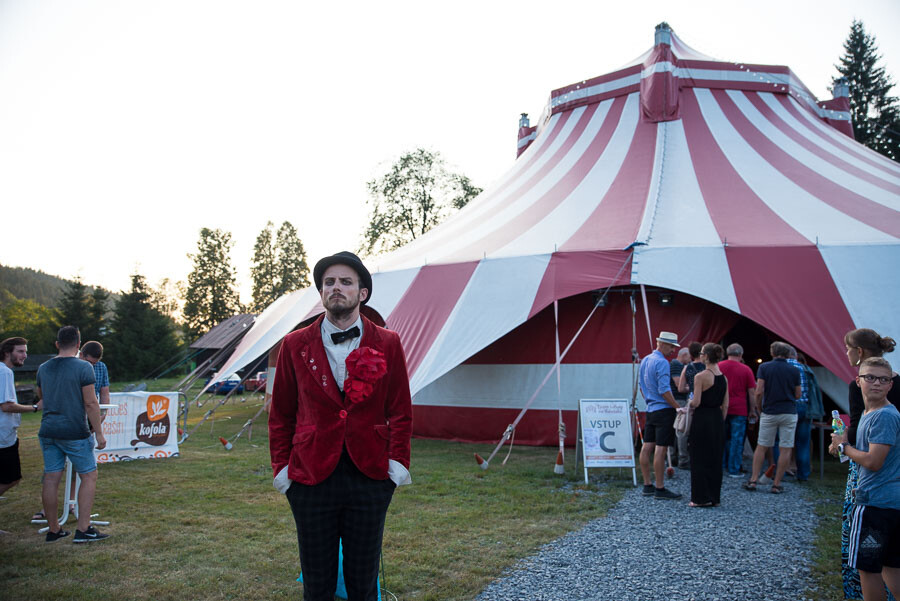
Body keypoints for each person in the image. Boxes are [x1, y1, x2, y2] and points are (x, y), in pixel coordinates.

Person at [269, 251, 413, 601]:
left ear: (362, 292)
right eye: (329, 282)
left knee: (363, 583)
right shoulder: (293, 344)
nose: (336, 288)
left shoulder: (389, 343)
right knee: (316, 583)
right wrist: (283, 470)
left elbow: (401, 410)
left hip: (371, 476)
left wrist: (396, 467)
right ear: (321, 292)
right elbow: (282, 414)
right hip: (310, 477)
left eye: (346, 282)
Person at [836, 328, 899, 601]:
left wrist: (843, 446)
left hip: (874, 497)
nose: (875, 383)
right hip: (892, 493)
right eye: (870, 379)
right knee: (890, 563)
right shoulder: (886, 409)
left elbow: (872, 459)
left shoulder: (879, 411)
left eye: (880, 380)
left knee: (866, 565)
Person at [36, 326, 109, 543]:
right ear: (79, 345)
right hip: (74, 431)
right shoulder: (84, 367)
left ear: (57, 344)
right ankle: (83, 529)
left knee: (51, 478)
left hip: (48, 430)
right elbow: (90, 402)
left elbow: (42, 397)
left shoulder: (43, 368)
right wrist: (99, 434)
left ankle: (54, 529)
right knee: (88, 475)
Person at [744, 341, 800, 493]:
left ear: (773, 352)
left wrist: (759, 407)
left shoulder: (764, 367)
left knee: (762, 446)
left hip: (770, 411)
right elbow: (798, 394)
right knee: (786, 448)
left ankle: (754, 480)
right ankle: (776, 484)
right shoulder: (794, 370)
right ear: (788, 353)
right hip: (788, 411)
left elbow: (759, 391)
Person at [638, 331, 682, 500]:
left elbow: (642, 386)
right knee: (661, 448)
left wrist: (649, 400)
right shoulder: (663, 363)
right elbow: (664, 389)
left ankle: (647, 484)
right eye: (671, 346)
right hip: (663, 410)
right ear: (662, 344)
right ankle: (660, 488)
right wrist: (677, 407)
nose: (673, 350)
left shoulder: (646, 360)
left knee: (647, 445)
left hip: (650, 408)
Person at [687, 343, 728, 507]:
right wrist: (720, 420)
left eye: (702, 353)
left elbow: (696, 402)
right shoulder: (723, 377)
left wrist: (689, 403)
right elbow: (726, 404)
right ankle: (714, 497)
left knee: (698, 457)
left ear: (706, 356)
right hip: (717, 419)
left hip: (702, 418)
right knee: (715, 458)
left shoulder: (701, 376)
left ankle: (699, 498)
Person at [1, 337, 41, 497]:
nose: (24, 355)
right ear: (7, 352)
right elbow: (7, 406)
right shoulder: (4, 371)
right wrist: (36, 407)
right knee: (11, 479)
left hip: (7, 435)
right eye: (20, 351)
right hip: (3, 436)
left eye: (25, 351)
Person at [718, 343, 757, 477]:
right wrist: (753, 410)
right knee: (737, 440)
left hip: (721, 407)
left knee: (720, 437)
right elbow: (752, 393)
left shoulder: (719, 366)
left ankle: (720, 466)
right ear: (741, 355)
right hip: (739, 409)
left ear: (727, 353)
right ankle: (733, 469)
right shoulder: (746, 369)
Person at [669, 347, 691, 470]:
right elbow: (679, 385)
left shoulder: (674, 364)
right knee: (681, 429)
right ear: (683, 355)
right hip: (679, 400)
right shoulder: (677, 365)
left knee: (674, 429)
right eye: (689, 357)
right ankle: (683, 459)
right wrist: (693, 387)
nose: (690, 359)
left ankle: (673, 457)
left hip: (675, 399)